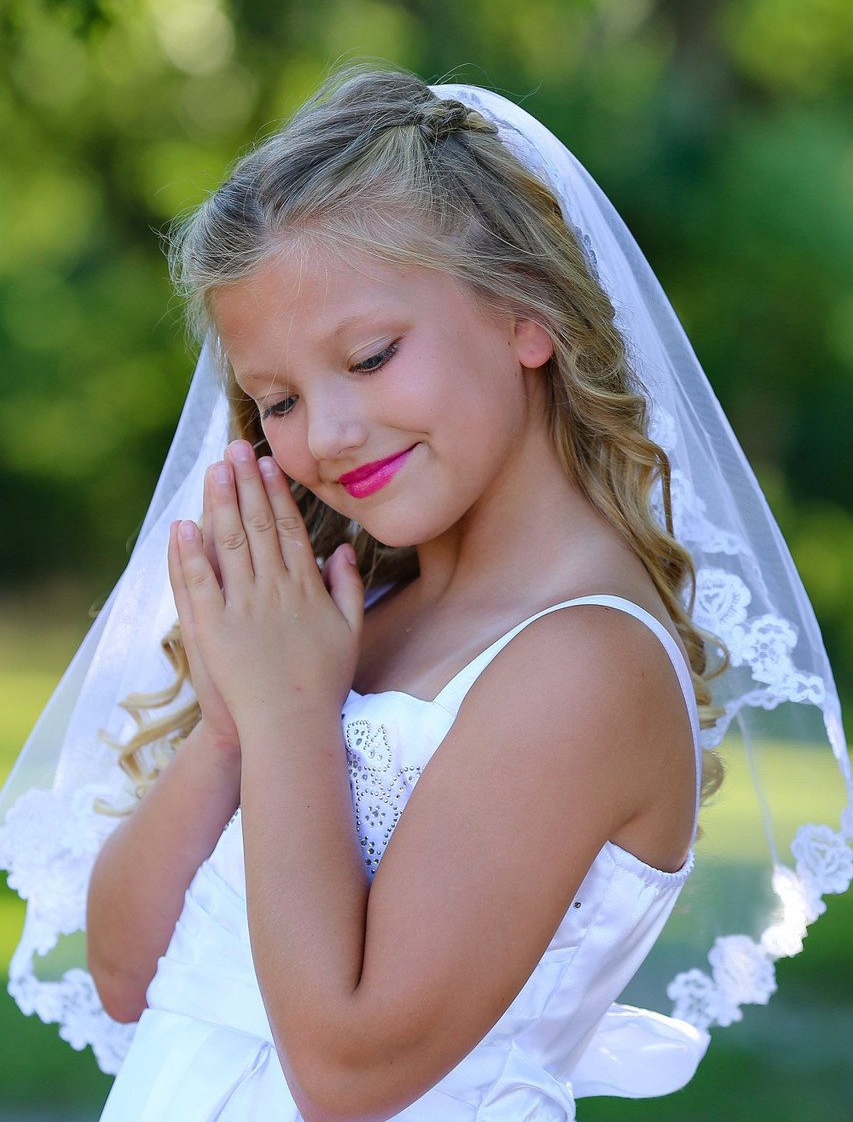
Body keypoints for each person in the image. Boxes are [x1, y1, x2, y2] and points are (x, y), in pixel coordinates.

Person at [1, 70, 851, 1121]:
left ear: (525, 314)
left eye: (369, 356)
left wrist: (286, 717)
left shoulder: (581, 660)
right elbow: (127, 978)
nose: (329, 431)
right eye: (278, 399)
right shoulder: (343, 623)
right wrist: (231, 727)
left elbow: (350, 1072)